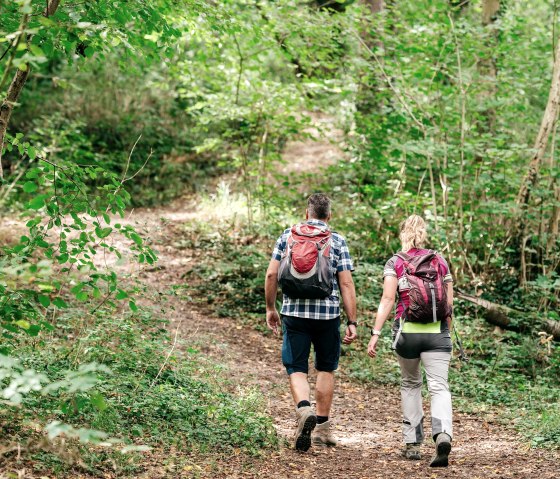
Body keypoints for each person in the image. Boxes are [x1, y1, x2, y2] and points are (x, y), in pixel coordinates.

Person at [265, 193, 358, 452]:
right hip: (327, 316)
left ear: (307, 213)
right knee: (326, 368)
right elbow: (346, 283)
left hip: (294, 312)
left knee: (296, 367)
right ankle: (323, 429)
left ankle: (304, 410)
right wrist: (352, 321)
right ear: (329, 216)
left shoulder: (287, 235)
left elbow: (272, 273)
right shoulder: (336, 239)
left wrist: (271, 308)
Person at [367, 214, 454, 467]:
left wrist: (375, 333)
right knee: (439, 386)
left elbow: (387, 299)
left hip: (407, 334)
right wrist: (445, 331)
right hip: (437, 332)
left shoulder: (395, 262)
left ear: (402, 234)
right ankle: (443, 435)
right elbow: (448, 303)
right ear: (423, 233)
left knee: (410, 384)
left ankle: (413, 444)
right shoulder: (439, 260)